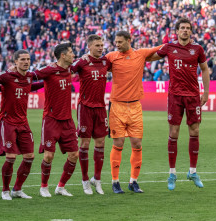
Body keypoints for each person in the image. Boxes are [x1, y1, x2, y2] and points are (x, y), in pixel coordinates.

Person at [103, 31, 162, 194]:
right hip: (117, 106)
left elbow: (160, 49)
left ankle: (133, 181)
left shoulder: (140, 54)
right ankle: (115, 182)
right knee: (118, 143)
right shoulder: (111, 57)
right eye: (116, 42)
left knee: (137, 144)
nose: (117, 44)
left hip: (135, 106)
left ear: (129, 40)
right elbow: (96, 65)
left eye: (120, 42)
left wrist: (178, 43)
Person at [155, 18, 210, 190]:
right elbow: (150, 56)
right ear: (177, 31)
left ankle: (192, 171)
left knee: (195, 131)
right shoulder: (169, 48)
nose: (185, 30)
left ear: (191, 32)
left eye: (188, 28)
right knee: (174, 132)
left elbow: (205, 69)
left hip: (193, 96)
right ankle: (172, 173)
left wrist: (206, 92)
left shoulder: (197, 49)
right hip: (175, 96)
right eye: (182, 28)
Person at [0, 50, 44, 200]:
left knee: (29, 156)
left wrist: (54, 78)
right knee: (10, 157)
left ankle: (17, 189)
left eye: (28, 59)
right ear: (15, 62)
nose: (26, 62)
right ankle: (5, 190)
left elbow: (37, 84)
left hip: (23, 122)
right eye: (22, 59)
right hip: (8, 122)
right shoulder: (6, 77)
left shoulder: (29, 77)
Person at [33, 42, 79, 198]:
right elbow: (31, 76)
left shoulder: (70, 69)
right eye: (71, 52)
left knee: (74, 155)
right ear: (63, 55)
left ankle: (60, 187)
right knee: (48, 156)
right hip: (51, 119)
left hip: (67, 120)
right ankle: (43, 187)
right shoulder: (49, 70)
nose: (74, 54)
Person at [70, 35, 110, 195]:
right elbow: (67, 69)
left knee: (100, 143)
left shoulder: (106, 62)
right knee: (85, 144)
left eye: (102, 45)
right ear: (89, 47)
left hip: (101, 107)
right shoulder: (82, 62)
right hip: (85, 107)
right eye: (97, 45)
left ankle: (97, 180)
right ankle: (85, 180)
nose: (101, 48)